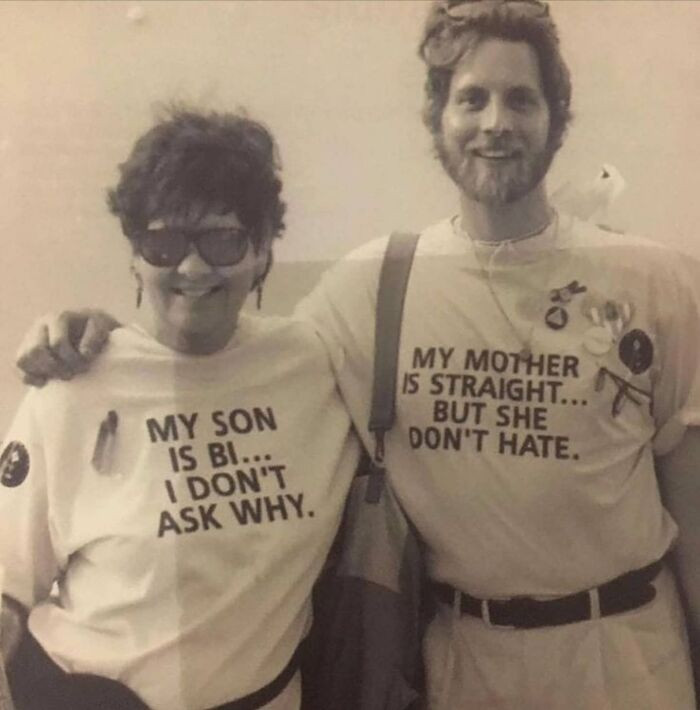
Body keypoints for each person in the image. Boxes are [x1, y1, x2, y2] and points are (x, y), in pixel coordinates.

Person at [13, 1, 700, 708]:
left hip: (624, 654)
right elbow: (201, 339)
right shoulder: (375, 287)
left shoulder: (656, 283)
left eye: (520, 99)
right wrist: (92, 338)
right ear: (437, 116)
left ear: (557, 115)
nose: (496, 122)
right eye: (472, 99)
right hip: (460, 659)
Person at [0, 107, 358, 710]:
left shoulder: (316, 365)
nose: (192, 268)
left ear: (262, 250)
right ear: (136, 256)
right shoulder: (71, 387)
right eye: (164, 243)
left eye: (223, 239)